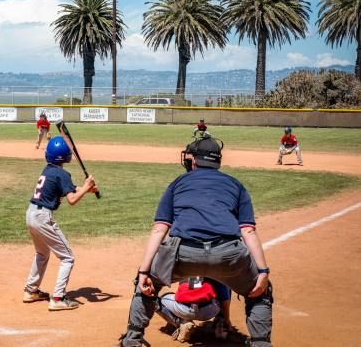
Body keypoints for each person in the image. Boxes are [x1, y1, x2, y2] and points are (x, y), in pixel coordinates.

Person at [118, 137, 273, 347]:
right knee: (260, 291)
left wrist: (144, 272)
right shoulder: (236, 185)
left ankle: (132, 340)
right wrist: (263, 272)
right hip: (227, 254)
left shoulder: (178, 183)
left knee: (146, 285)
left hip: (184, 253)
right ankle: (261, 343)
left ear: (194, 161)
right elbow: (248, 231)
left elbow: (160, 228)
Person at [23, 136, 98, 311]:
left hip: (31, 214)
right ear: (65, 156)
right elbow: (72, 199)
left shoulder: (49, 170)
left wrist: (86, 189)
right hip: (42, 218)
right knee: (68, 257)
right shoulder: (62, 173)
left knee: (42, 253)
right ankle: (57, 298)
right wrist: (87, 187)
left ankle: (30, 290)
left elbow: (69, 189)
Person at [156, 277, 232, 343]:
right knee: (225, 282)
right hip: (209, 310)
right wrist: (227, 319)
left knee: (155, 301)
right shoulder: (212, 266)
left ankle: (181, 322)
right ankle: (221, 325)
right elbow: (224, 297)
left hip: (184, 309)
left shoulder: (182, 262)